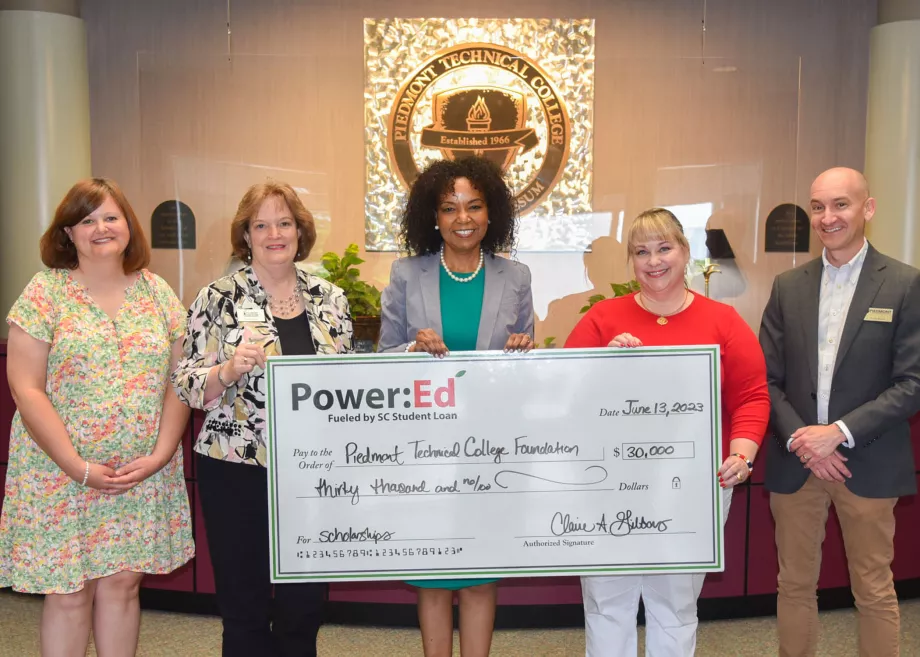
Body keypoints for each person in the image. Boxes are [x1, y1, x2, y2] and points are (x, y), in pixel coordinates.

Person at [0, 178, 194, 655]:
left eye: (110, 217)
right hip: (59, 473)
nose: (100, 228)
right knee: (69, 594)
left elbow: (181, 380)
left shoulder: (158, 293)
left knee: (124, 586)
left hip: (138, 474)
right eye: (86, 220)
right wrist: (76, 465)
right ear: (68, 233)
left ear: (128, 225)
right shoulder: (46, 292)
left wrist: (161, 454)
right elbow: (26, 387)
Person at [565, 207, 770, 656]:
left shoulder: (723, 322)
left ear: (685, 252)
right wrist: (601, 366)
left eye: (664, 248)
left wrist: (742, 455)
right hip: (607, 486)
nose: (653, 261)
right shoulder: (602, 320)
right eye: (641, 252)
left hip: (692, 487)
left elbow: (751, 396)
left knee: (674, 606)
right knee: (606, 604)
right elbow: (565, 394)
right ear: (631, 261)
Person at [172, 181, 353, 657]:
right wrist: (227, 370)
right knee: (244, 604)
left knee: (305, 603)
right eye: (262, 224)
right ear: (245, 235)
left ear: (300, 231)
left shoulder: (331, 299)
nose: (275, 233)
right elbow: (185, 381)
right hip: (235, 468)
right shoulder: (217, 296)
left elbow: (349, 384)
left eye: (285, 222)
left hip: (313, 471)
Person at [759, 167, 920, 657]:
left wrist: (838, 433)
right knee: (793, 586)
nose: (828, 217)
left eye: (840, 205)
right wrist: (805, 440)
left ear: (867, 208)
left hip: (866, 460)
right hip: (797, 461)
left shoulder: (905, 285)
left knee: (873, 590)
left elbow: (913, 383)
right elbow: (765, 379)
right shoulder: (788, 286)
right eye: (818, 207)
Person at [378, 156, 534, 657]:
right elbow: (382, 355)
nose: (462, 218)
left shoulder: (516, 275)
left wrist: (522, 350)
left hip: (491, 445)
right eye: (449, 208)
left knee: (481, 571)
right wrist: (410, 347)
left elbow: (525, 354)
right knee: (433, 574)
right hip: (426, 446)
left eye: (474, 206)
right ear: (434, 216)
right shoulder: (406, 274)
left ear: (492, 215)